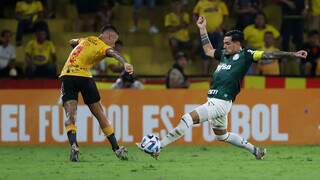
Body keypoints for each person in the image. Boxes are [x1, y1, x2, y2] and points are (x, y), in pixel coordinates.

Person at [138, 16, 308, 159]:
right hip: (217, 101)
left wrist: (292, 54)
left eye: (227, 43)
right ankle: (256, 151)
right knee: (222, 135)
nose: (224, 46)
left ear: (237, 44)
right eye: (224, 43)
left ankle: (158, 146)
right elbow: (207, 50)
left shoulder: (246, 55)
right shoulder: (224, 56)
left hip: (220, 102)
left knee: (187, 119)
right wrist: (202, 28)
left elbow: (268, 54)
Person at [59, 25, 133, 162]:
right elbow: (114, 53)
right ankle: (116, 149)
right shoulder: (102, 46)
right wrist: (125, 63)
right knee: (99, 113)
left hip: (67, 74)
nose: (114, 45)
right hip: (84, 76)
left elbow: (71, 41)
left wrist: (80, 51)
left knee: (70, 114)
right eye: (115, 41)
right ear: (110, 36)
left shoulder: (87, 39)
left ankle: (74, 146)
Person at [193, 0, 229, 75]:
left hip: (218, 33)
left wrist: (222, 27)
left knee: (217, 53)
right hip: (205, 33)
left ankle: (217, 74)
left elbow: (226, 16)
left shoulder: (221, 3)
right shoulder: (201, 3)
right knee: (205, 54)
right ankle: (204, 74)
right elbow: (194, 15)